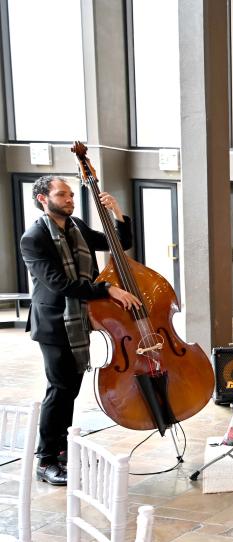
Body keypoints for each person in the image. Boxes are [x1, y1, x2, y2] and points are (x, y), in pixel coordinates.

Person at [19, 176, 140, 485]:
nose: (70, 199)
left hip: (77, 321)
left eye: (71, 194)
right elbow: (59, 283)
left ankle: (61, 451)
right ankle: (45, 460)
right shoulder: (33, 238)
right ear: (44, 199)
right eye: (62, 194)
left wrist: (117, 214)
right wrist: (107, 290)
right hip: (53, 323)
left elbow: (118, 243)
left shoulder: (77, 228)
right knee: (59, 390)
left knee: (69, 391)